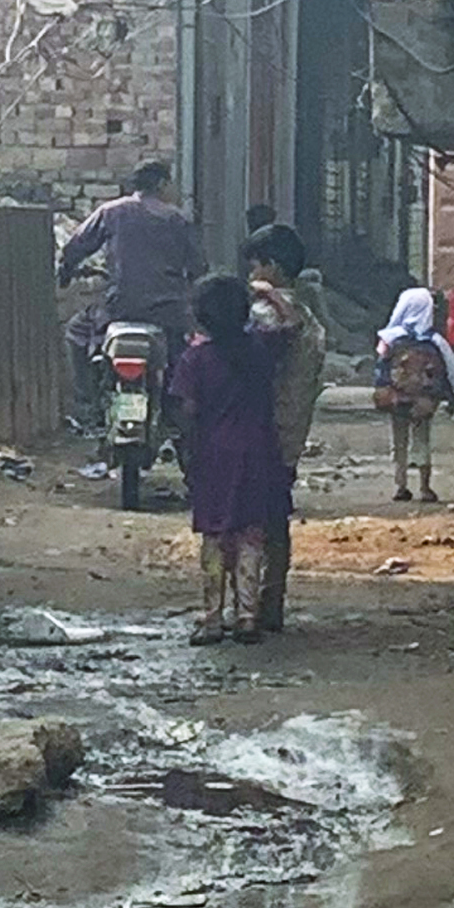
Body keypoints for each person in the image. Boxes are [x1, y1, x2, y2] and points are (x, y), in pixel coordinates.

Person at [174, 272, 289, 644]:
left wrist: (187, 455)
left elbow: (187, 411)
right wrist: (270, 295)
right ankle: (247, 618)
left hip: (213, 456)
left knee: (214, 536)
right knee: (251, 534)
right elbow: (294, 326)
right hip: (260, 452)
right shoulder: (260, 349)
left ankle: (211, 619)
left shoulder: (195, 359)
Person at [242, 224, 328, 633]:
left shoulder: (266, 315)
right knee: (277, 520)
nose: (250, 275)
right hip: (291, 435)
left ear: (271, 266)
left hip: (261, 433)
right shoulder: (310, 316)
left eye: (255, 266)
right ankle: (271, 600)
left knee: (247, 524)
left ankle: (248, 609)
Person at [57, 160, 204, 400]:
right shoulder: (178, 219)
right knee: (180, 356)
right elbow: (198, 267)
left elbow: (76, 246)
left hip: (120, 309)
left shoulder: (112, 211)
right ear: (162, 184)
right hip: (168, 312)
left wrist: (66, 270)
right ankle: (175, 411)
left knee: (77, 332)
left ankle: (88, 401)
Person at [373, 286, 454, 504]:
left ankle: (400, 485)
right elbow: (450, 371)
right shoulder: (435, 342)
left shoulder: (389, 340)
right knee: (422, 441)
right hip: (424, 402)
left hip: (396, 400)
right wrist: (451, 399)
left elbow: (380, 370)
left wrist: (383, 392)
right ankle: (425, 487)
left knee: (399, 442)